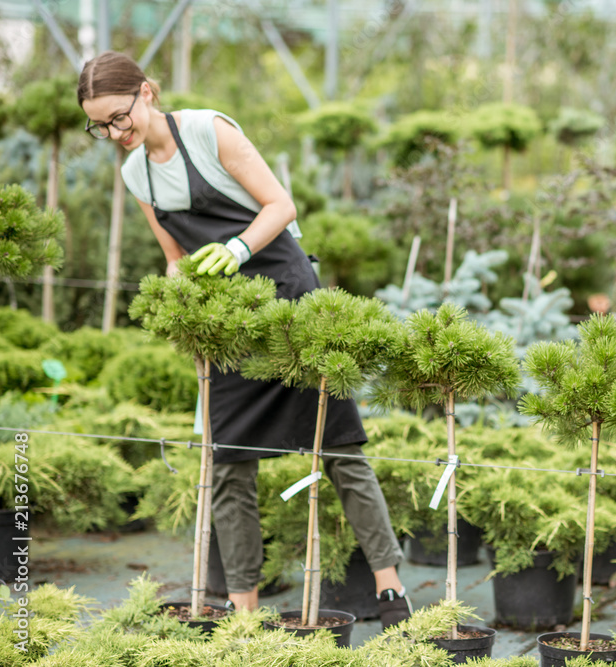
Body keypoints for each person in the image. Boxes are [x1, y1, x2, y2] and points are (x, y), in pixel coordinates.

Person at [77, 51, 412, 628]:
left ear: (147, 93)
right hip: (226, 327)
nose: (114, 133)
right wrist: (178, 310)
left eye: (118, 117)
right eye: (100, 126)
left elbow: (282, 205)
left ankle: (390, 589)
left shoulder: (210, 130)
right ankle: (244, 609)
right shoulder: (137, 174)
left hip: (284, 298)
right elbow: (175, 260)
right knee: (229, 460)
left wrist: (236, 249)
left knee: (338, 445)